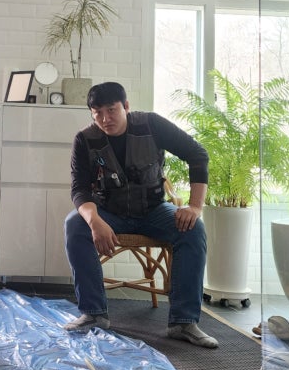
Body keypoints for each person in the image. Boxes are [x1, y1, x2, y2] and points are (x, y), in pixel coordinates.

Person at [63, 81, 219, 348]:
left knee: (193, 229)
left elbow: (197, 154)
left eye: (111, 110)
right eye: (97, 113)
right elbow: (79, 189)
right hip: (109, 213)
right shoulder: (84, 140)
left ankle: (183, 322)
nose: (105, 119)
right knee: (75, 225)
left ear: (126, 106)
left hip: (154, 211)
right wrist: (95, 221)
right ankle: (94, 314)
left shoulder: (152, 125)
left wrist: (195, 207)